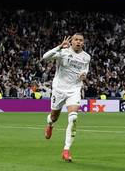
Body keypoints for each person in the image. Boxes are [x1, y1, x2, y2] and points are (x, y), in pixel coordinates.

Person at [42, 33, 91, 162]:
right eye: (76, 40)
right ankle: (50, 124)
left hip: (74, 89)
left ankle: (66, 150)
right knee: (54, 116)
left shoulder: (86, 57)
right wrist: (59, 47)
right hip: (59, 89)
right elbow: (45, 57)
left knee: (73, 117)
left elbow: (85, 69)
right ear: (72, 41)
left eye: (81, 40)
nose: (78, 42)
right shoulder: (63, 52)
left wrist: (84, 74)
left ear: (83, 43)